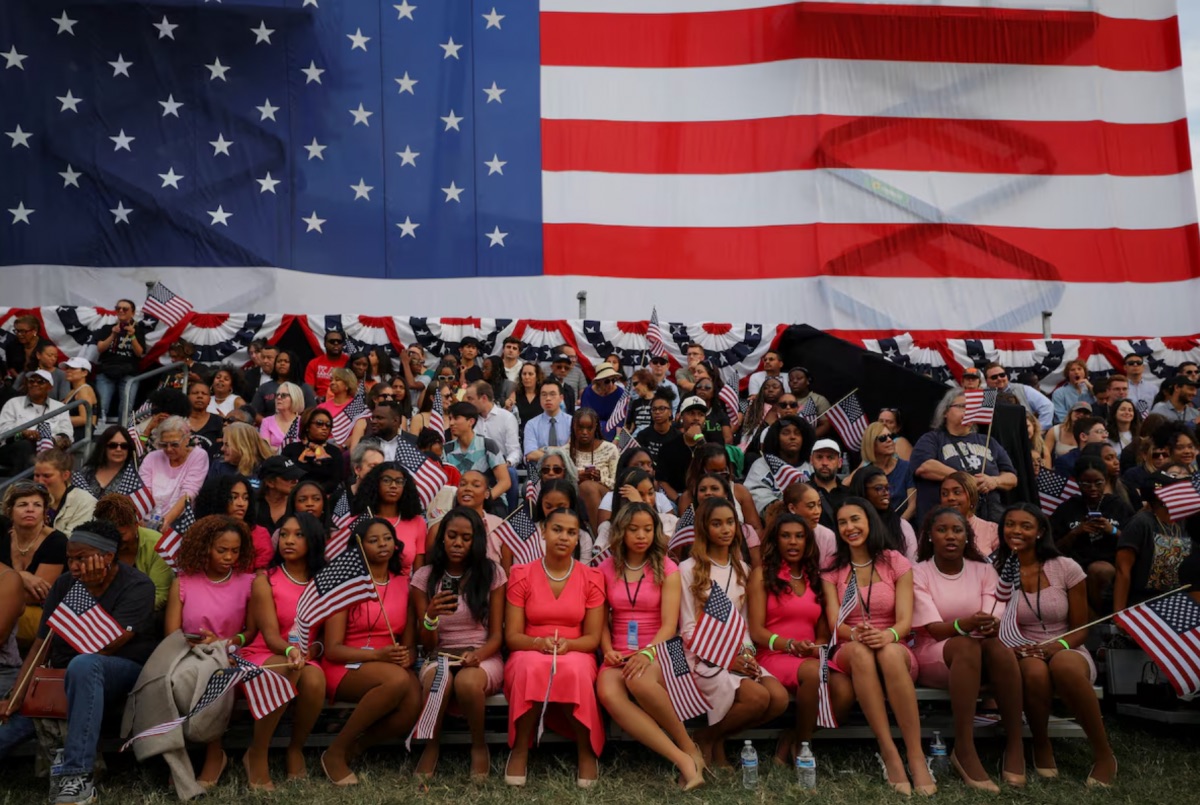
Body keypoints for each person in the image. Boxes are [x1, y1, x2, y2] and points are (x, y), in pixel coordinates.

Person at [0, 521, 156, 803]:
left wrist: (91, 590)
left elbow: (106, 646)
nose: (72, 565)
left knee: (85, 664)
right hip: (59, 678)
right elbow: (40, 645)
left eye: (81, 558)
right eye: (69, 558)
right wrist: (16, 697)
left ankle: (77, 775)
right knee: (8, 730)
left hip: (117, 671)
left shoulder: (138, 586)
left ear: (107, 557)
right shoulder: (64, 584)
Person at [994, 503, 1116, 787]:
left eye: (1025, 526)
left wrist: (1057, 645)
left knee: (1064, 666)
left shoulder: (1065, 567)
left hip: (1067, 643)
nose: (1016, 531)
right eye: (1010, 524)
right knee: (1035, 672)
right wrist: (1019, 647)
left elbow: (1081, 629)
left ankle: (1104, 754)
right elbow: (998, 619)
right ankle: (1041, 744)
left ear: (1039, 533)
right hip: (1023, 648)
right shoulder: (996, 569)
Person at [821, 498, 935, 796]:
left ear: (870, 521)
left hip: (892, 642)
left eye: (855, 519)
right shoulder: (833, 570)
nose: (849, 527)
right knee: (861, 652)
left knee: (886, 651)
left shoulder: (895, 561)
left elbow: (905, 621)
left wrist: (887, 636)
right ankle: (889, 752)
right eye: (842, 522)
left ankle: (916, 755)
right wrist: (859, 635)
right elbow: (836, 625)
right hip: (851, 644)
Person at [911, 507, 1025, 790]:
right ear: (929, 537)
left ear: (967, 537)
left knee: (998, 647)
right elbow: (935, 629)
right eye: (942, 530)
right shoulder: (918, 572)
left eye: (957, 530)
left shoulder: (984, 570)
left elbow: (993, 614)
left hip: (981, 652)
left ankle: (1015, 744)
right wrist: (968, 624)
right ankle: (964, 747)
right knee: (965, 645)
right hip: (935, 654)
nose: (950, 536)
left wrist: (990, 624)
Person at [595, 502, 704, 790]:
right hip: (618, 651)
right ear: (621, 531)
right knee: (607, 690)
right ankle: (682, 759)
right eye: (634, 529)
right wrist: (607, 649)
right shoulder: (605, 567)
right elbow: (600, 621)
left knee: (639, 680)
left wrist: (646, 652)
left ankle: (689, 748)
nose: (641, 535)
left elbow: (670, 625)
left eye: (647, 529)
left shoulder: (667, 567)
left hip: (661, 648)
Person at [678, 497, 788, 769]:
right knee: (757, 697)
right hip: (702, 657)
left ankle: (714, 737)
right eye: (717, 523)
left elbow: (745, 624)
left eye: (730, 523)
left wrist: (748, 655)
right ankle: (707, 739)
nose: (726, 529)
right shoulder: (687, 569)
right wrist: (726, 660)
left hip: (737, 653)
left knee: (778, 699)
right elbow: (688, 628)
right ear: (704, 528)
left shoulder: (744, 569)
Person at [502, 507, 605, 787]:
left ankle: (585, 751)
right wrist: (537, 643)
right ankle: (520, 749)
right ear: (543, 532)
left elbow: (593, 638)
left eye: (571, 532)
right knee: (528, 666)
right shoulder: (521, 574)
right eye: (557, 529)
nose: (564, 537)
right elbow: (512, 636)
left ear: (577, 539)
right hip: (529, 647)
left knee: (576, 671)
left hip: (576, 649)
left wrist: (569, 645)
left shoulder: (592, 577)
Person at [319, 517, 420, 786]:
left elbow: (408, 643)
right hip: (347, 664)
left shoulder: (403, 583)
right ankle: (335, 752)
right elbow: (332, 649)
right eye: (373, 540)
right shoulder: (346, 585)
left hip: (387, 661)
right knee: (396, 680)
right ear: (360, 546)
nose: (382, 544)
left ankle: (358, 747)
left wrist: (407, 655)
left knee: (413, 702)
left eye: (387, 538)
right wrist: (378, 656)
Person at [411, 507, 507, 781]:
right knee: (437, 680)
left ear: (475, 541)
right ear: (442, 538)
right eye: (452, 536)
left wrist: (478, 656)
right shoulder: (425, 577)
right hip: (439, 654)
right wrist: (430, 616)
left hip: (482, 654)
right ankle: (431, 745)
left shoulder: (492, 573)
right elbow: (426, 643)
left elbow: (497, 636)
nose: (457, 543)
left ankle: (478, 745)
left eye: (466, 538)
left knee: (466, 682)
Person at [748, 513, 853, 761]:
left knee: (845, 692)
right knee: (813, 673)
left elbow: (822, 634)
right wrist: (790, 645)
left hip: (809, 656)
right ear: (776, 540)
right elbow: (756, 631)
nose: (793, 542)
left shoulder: (816, 577)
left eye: (799, 536)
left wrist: (815, 648)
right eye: (786, 536)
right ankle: (803, 750)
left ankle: (793, 736)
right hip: (773, 653)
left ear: (808, 542)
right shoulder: (761, 575)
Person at [164, 514, 258, 788]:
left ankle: (215, 753)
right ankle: (179, 758)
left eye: (235, 550)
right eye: (222, 550)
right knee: (176, 680)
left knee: (214, 674)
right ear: (205, 547)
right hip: (186, 654)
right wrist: (194, 644)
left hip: (231, 655)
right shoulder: (183, 582)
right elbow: (172, 633)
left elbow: (251, 631)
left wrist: (224, 642)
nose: (229, 556)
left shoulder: (248, 582)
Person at [240, 512, 329, 789]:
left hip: (302, 655)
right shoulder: (265, 580)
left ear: (313, 540)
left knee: (315, 679)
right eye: (285, 534)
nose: (288, 540)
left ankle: (295, 748)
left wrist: (310, 652)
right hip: (264, 652)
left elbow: (322, 636)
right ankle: (257, 751)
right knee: (282, 671)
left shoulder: (323, 583)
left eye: (298, 535)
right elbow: (268, 635)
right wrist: (292, 651)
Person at [911, 388, 1018, 524]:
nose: (969, 411)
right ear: (945, 412)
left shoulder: (988, 441)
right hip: (946, 520)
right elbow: (925, 467)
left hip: (990, 517)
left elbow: (1012, 477)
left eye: (973, 408)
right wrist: (968, 480)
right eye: (962, 406)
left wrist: (993, 481)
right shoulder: (931, 439)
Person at [1050, 457, 1133, 614]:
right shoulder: (1067, 508)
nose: (1092, 488)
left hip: (1111, 564)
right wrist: (1076, 532)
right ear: (1078, 483)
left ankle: (1101, 617)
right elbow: (1053, 546)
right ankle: (1092, 621)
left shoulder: (1118, 506)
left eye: (1098, 482)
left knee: (1099, 570)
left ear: (1106, 480)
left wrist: (1112, 530)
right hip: (1075, 565)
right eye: (1086, 483)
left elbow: (1135, 542)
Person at [1113, 470, 1199, 612]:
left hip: (1179, 601)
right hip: (1144, 602)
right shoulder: (1141, 523)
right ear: (1162, 498)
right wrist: (1119, 613)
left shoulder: (1186, 522)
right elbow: (1123, 570)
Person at [2, 482, 67, 646]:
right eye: (23, 504)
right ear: (10, 511)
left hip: (43, 613)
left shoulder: (57, 542)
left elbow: (36, 595)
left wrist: (8, 581)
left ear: (45, 512)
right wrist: (21, 577)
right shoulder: (2, 534)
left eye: (37, 505)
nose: (30, 509)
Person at [93, 493, 174, 611]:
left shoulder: (158, 544)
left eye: (121, 535)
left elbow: (160, 595)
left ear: (136, 525)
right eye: (109, 535)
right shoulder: (94, 545)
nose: (116, 541)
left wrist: (126, 614)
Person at [353, 463, 428, 573]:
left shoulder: (418, 522)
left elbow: (419, 574)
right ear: (376, 483)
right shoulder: (360, 520)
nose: (393, 485)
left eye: (399, 481)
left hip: (404, 588)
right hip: (367, 587)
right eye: (387, 480)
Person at [194, 474, 275, 570]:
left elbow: (261, 574)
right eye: (233, 497)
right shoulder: (200, 532)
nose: (241, 504)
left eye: (246, 498)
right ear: (217, 499)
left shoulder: (260, 535)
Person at [0, 369, 72, 473]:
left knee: (50, 451)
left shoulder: (59, 407)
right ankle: (27, 485)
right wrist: (23, 433)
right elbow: (3, 431)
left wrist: (48, 440)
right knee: (25, 446)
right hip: (14, 448)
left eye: (40, 382)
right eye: (31, 381)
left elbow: (67, 433)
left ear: (50, 387)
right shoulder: (13, 403)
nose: (35, 384)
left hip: (48, 449)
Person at [140, 415, 209, 524]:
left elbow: (189, 493)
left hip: (178, 522)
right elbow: (143, 492)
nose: (169, 449)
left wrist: (165, 522)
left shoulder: (199, 456)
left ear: (187, 439)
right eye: (163, 444)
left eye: (174, 444)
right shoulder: (152, 457)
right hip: (148, 518)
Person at [744, 416, 816, 516]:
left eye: (797, 433)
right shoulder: (761, 464)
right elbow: (755, 494)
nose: (792, 437)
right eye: (786, 433)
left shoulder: (812, 464)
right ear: (776, 438)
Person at [445, 401, 511, 505]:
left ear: (470, 421)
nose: (451, 423)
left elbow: (505, 481)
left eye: (456, 418)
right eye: (450, 419)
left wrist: (484, 500)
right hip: (458, 503)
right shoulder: (446, 449)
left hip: (489, 502)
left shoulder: (487, 445)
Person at [846, 421, 915, 520]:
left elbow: (912, 505)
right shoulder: (864, 474)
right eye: (883, 438)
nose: (889, 440)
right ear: (872, 444)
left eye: (890, 436)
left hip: (903, 525)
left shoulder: (906, 467)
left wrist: (899, 525)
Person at [93, 300, 147, 421]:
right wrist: (113, 334)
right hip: (107, 370)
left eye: (125, 309)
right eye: (118, 308)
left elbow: (140, 353)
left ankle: (123, 434)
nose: (121, 311)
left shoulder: (138, 330)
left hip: (129, 372)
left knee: (127, 408)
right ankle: (99, 433)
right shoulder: (107, 328)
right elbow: (100, 348)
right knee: (102, 406)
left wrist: (132, 336)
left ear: (132, 313)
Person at [849, 466, 917, 561]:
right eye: (879, 488)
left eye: (887, 488)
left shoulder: (902, 526)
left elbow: (913, 565)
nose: (886, 493)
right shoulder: (850, 527)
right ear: (863, 491)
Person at [569, 407, 619, 528]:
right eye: (580, 427)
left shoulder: (610, 448)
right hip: (574, 497)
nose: (584, 432)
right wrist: (577, 477)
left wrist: (600, 479)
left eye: (589, 428)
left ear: (596, 427)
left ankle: (598, 537)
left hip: (606, 497)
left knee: (588, 486)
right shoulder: (565, 451)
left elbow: (617, 484)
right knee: (586, 486)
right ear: (573, 427)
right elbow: (559, 483)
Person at [32, 448, 97, 536]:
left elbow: (72, 542)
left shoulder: (84, 502)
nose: (40, 481)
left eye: (47, 476)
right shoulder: (29, 499)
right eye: (36, 475)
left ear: (65, 475)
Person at [281, 408, 346, 492]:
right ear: (307, 426)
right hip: (294, 495)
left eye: (328, 425)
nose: (324, 428)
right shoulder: (291, 449)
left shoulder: (334, 452)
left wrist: (314, 492)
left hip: (324, 497)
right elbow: (284, 476)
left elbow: (335, 480)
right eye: (319, 423)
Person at [939, 472, 999, 557]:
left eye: (957, 492)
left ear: (971, 496)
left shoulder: (991, 530)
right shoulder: (933, 530)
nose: (950, 498)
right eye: (944, 494)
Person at [780, 482, 839, 565]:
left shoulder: (827, 535)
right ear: (792, 508)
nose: (817, 511)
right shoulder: (778, 532)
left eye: (819, 505)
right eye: (811, 506)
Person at [73, 425, 138, 499]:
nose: (119, 449)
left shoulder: (135, 477)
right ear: (103, 447)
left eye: (124, 446)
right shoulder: (86, 472)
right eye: (113, 445)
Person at [982, 362, 1053, 429]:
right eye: (994, 377)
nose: (999, 379)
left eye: (1002, 375)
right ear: (986, 381)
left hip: (1024, 435)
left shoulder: (1023, 389)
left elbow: (1047, 406)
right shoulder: (985, 396)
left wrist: (1039, 430)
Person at [250, 350, 317, 418]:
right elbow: (254, 412)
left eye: (286, 361)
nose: (282, 363)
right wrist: (267, 424)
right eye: (279, 361)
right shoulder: (264, 388)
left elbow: (311, 412)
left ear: (294, 364)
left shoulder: (304, 388)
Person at [523, 379, 572, 463]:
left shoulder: (571, 422)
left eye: (552, 394)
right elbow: (531, 454)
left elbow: (572, 451)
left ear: (561, 398)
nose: (548, 398)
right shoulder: (531, 424)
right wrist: (560, 453)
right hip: (541, 470)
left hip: (567, 468)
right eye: (544, 395)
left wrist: (545, 449)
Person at [255, 455, 307, 533]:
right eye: (288, 477)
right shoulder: (252, 505)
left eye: (296, 477)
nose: (295, 481)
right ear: (270, 482)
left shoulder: (300, 506)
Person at [210, 420, 274, 480]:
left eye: (227, 445)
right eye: (223, 444)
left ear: (243, 446)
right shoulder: (218, 466)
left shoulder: (266, 468)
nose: (222, 449)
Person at [634, 387, 682, 466]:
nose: (657, 412)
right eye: (654, 409)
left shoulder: (678, 437)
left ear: (670, 412)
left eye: (662, 408)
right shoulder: (643, 435)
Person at [808, 438, 849, 531]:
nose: (824, 463)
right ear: (811, 460)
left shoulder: (850, 494)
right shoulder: (802, 493)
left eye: (830, 457)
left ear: (840, 463)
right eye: (819, 457)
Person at [183, 378, 225, 462]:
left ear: (209, 400)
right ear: (187, 397)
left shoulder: (219, 422)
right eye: (195, 393)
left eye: (204, 394)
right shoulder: (177, 421)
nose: (200, 396)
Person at [580, 364, 624, 441]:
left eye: (613, 380)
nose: (611, 384)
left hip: (614, 433)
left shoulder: (620, 393)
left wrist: (617, 438)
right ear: (598, 381)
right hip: (592, 431)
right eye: (607, 381)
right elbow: (585, 416)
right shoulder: (588, 393)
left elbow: (620, 421)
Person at [788, 367, 833, 438]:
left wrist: (807, 438)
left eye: (799, 378)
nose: (794, 381)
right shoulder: (784, 399)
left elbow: (826, 424)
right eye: (791, 379)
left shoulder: (818, 399)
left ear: (808, 381)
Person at [305, 329, 350, 401]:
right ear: (325, 344)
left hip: (343, 401)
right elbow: (309, 389)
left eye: (339, 342)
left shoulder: (349, 362)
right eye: (332, 341)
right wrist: (317, 398)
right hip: (320, 402)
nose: (336, 343)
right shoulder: (314, 363)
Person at [260, 381, 305, 450]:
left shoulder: (303, 422)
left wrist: (275, 449)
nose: (279, 397)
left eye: (283, 395)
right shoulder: (267, 422)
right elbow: (264, 449)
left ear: (294, 398)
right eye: (277, 395)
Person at [507, 362, 546, 442]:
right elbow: (508, 417)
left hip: (540, 437)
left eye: (530, 374)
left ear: (537, 377)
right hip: (519, 437)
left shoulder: (543, 395)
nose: (526, 377)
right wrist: (507, 407)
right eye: (524, 374)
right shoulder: (515, 394)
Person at [60, 357, 97, 441]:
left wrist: (58, 420)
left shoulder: (84, 390)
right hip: (71, 431)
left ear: (84, 373)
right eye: (67, 368)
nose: (68, 371)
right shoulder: (72, 391)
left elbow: (84, 419)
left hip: (81, 433)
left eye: (73, 368)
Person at [1043, 401, 1088, 467]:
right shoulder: (1055, 430)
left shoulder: (1091, 433)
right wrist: (1048, 472)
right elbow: (1045, 454)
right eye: (1078, 411)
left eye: (1085, 413)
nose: (1081, 415)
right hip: (1060, 470)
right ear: (1071, 413)